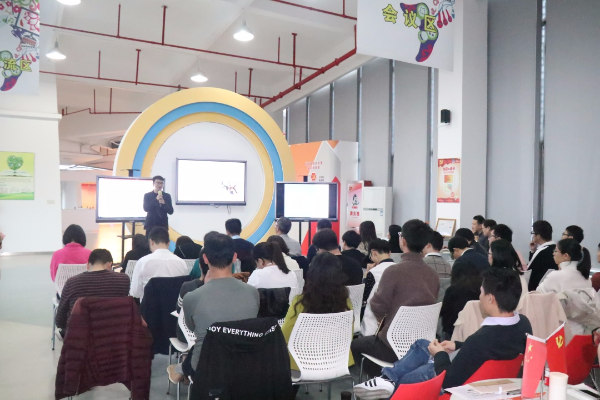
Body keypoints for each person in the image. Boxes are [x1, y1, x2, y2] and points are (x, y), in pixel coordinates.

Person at [354, 269, 532, 397]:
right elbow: (493, 348)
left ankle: (392, 384)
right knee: (422, 344)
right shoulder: (523, 325)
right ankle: (388, 378)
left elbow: (449, 381)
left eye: (481, 292)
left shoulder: (481, 339)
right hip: (484, 377)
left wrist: (440, 354)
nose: (479, 297)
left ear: (491, 299)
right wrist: (457, 345)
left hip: (451, 379)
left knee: (406, 380)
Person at [351, 219, 439, 377]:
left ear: (403, 240)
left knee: (356, 344)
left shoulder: (393, 271)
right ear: (426, 243)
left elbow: (378, 306)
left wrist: (385, 322)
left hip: (391, 345)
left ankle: (386, 379)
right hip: (423, 344)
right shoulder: (432, 274)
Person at [167, 233, 259, 384]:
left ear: (205, 259)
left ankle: (180, 369)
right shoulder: (253, 293)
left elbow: (191, 328)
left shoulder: (192, 297)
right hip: (243, 363)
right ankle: (180, 368)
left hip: (204, 365)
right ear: (234, 257)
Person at [281, 252, 354, 373]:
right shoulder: (345, 301)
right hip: (336, 358)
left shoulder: (300, 302)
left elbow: (285, 334)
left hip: (302, 360)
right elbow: (348, 335)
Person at [55, 249, 130, 333]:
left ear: (87, 265)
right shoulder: (124, 280)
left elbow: (59, 321)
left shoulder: (72, 282)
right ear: (110, 264)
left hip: (80, 335)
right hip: (114, 334)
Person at [129, 227, 188, 301]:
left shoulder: (143, 262)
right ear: (169, 243)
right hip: (174, 307)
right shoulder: (182, 263)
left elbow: (135, 293)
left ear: (151, 242)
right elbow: (184, 291)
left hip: (149, 307)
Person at [361, 239, 397, 336]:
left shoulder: (374, 272)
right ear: (389, 253)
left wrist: (366, 275)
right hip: (395, 319)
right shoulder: (400, 269)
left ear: (373, 253)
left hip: (374, 323)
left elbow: (364, 296)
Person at [440, 262, 482, 339]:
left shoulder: (452, 290)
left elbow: (443, 313)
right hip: (478, 330)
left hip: (453, 332)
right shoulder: (481, 291)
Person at [489, 239, 528, 309]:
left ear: (495, 256)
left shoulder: (501, 278)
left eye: (489, 254)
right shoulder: (516, 274)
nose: (488, 256)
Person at [527, 220, 557, 291]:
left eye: (533, 233)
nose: (532, 236)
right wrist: (533, 251)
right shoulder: (556, 248)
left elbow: (530, 271)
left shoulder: (541, 251)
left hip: (538, 289)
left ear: (538, 236)